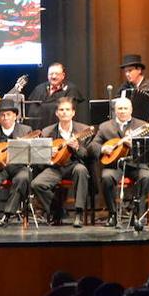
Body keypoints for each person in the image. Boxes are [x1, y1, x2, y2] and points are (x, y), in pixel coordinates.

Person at [94, 96, 149, 228]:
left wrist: (134, 145)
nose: (122, 111)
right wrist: (103, 148)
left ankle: (136, 213)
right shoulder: (105, 127)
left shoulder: (142, 126)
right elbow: (93, 146)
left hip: (136, 164)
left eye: (125, 108)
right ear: (115, 110)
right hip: (115, 164)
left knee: (146, 177)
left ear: (131, 110)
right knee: (106, 177)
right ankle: (112, 214)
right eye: (119, 108)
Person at [31, 97, 92, 227]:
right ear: (57, 113)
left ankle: (78, 213)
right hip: (55, 167)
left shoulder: (83, 130)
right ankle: (57, 209)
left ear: (73, 113)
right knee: (36, 184)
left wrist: (76, 147)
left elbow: (87, 155)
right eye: (61, 110)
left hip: (74, 165)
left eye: (67, 110)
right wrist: (48, 154)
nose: (64, 112)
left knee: (81, 170)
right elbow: (39, 158)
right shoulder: (47, 131)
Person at [0, 98, 32, 226]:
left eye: (8, 114)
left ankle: (8, 214)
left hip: (18, 167)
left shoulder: (26, 130)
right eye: (2, 115)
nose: (5, 117)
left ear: (15, 116)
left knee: (24, 177)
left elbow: (33, 151)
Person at [29, 63, 84, 130]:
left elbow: (67, 110)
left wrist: (42, 106)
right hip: (40, 130)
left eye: (57, 74)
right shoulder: (39, 89)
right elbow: (32, 111)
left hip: (61, 129)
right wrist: (52, 106)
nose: (53, 77)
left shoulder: (71, 89)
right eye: (51, 74)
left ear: (63, 75)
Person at [119, 54, 149, 120]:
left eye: (130, 70)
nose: (127, 74)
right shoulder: (124, 88)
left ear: (139, 70)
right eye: (125, 71)